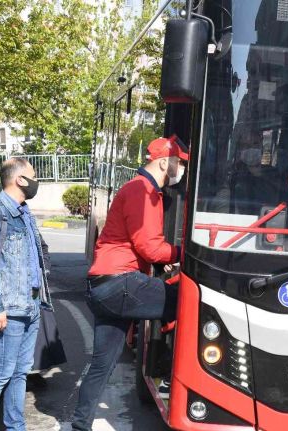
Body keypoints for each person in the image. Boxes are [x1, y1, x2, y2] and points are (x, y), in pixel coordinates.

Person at [70, 135, 187, 431]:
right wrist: (187, 254)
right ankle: (184, 379)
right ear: (164, 162)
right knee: (186, 303)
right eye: (180, 163)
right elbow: (151, 248)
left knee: (102, 364)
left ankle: (79, 425)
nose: (182, 169)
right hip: (120, 283)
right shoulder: (143, 191)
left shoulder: (139, 188)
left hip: (103, 286)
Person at [0, 158, 50, 431]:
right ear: (19, 179)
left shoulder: (24, 211)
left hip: (29, 306)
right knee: (0, 373)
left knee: (19, 373)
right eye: (33, 175)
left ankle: (15, 426)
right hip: (8, 310)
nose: (36, 179)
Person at [0, 183, 67, 391]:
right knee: (2, 368)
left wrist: (42, 271)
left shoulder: (25, 218)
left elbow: (41, 247)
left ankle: (32, 373)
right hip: (4, 299)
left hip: (30, 293)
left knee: (28, 352)